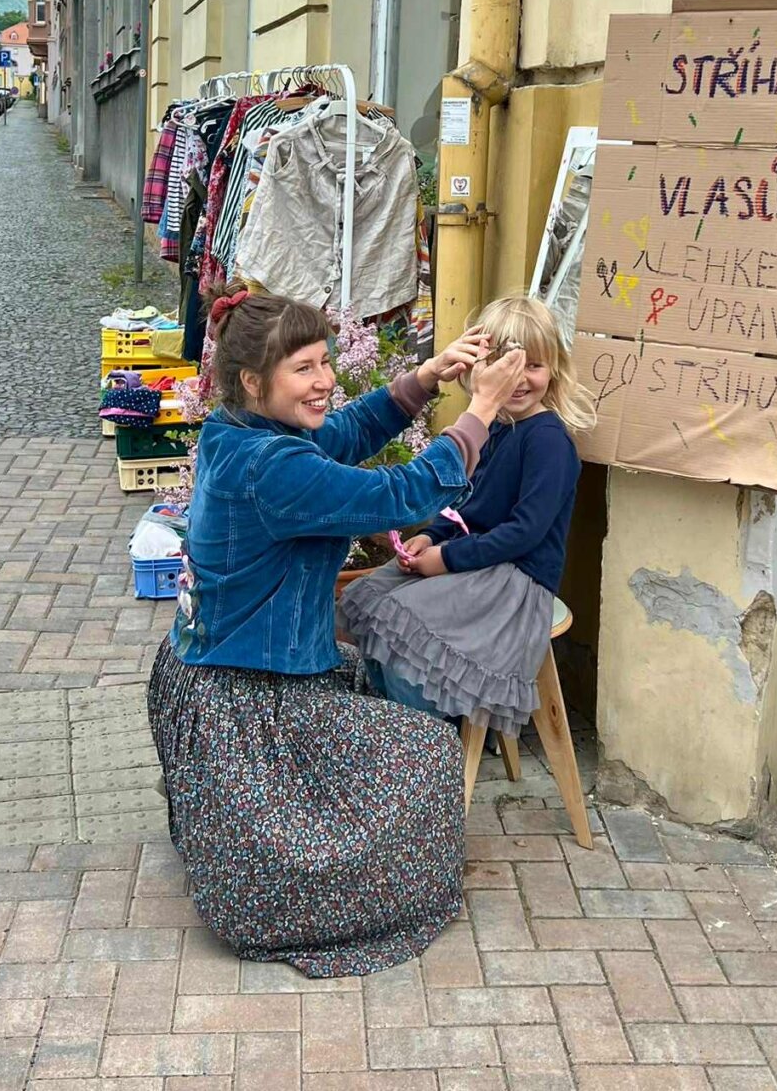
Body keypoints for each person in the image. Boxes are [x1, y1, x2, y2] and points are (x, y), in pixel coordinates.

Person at [146, 282, 527, 979]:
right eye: (305, 369)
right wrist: (480, 411)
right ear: (253, 381)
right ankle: (287, 890)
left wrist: (421, 380)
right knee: (429, 756)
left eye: (326, 362)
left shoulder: (240, 429)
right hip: (244, 701)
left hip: (222, 678)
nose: (324, 382)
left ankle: (237, 835)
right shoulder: (270, 467)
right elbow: (402, 494)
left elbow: (342, 435)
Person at [338, 296, 596, 737]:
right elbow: (462, 503)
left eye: (532, 366)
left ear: (553, 370)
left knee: (405, 634)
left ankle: (425, 745)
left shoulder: (548, 440)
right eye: (505, 365)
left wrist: (446, 557)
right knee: (374, 603)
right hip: (475, 563)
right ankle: (394, 736)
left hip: (514, 578)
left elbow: (524, 532)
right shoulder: (492, 426)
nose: (518, 379)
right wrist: (432, 536)